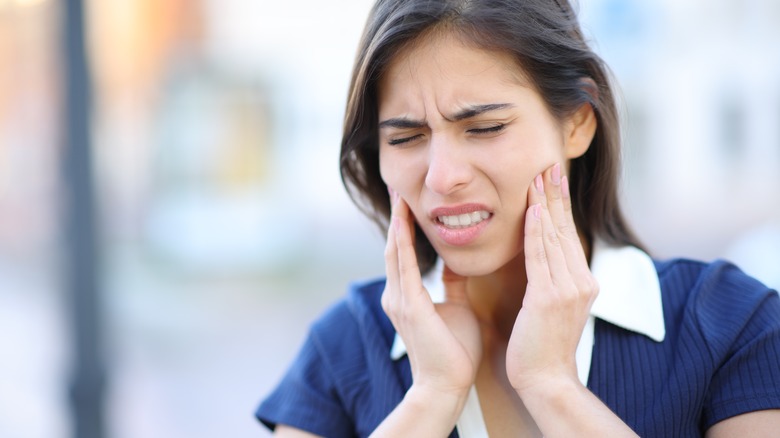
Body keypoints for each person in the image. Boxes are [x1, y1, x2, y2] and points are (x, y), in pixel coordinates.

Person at [256, 0, 780, 436]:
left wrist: (553, 386)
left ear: (577, 123)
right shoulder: (343, 349)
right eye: (406, 138)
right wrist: (431, 398)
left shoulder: (734, 327)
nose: (442, 177)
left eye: (484, 127)